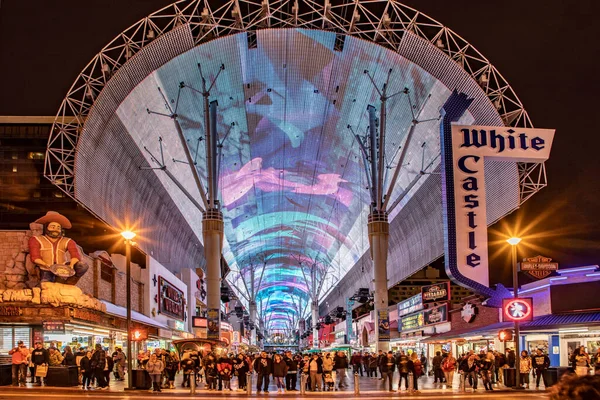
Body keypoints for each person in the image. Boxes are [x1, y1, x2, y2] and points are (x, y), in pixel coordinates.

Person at [28, 211, 89, 284]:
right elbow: (35, 257)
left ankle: (70, 282)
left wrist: (71, 265)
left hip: (62, 268)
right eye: (52, 227)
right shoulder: (36, 239)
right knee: (46, 286)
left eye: (58, 227)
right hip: (45, 269)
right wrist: (46, 265)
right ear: (46, 227)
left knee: (82, 265)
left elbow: (75, 254)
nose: (55, 230)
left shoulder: (68, 241)